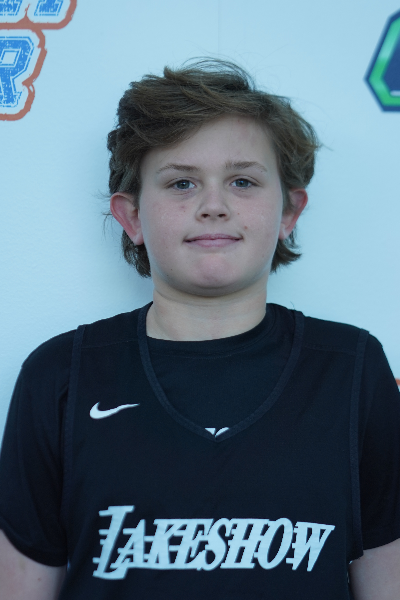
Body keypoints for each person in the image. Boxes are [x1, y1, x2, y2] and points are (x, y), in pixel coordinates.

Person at [0, 58, 399, 600]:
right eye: (182, 183)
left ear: (289, 211)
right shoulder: (61, 376)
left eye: (243, 181)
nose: (214, 206)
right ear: (131, 216)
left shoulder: (352, 369)